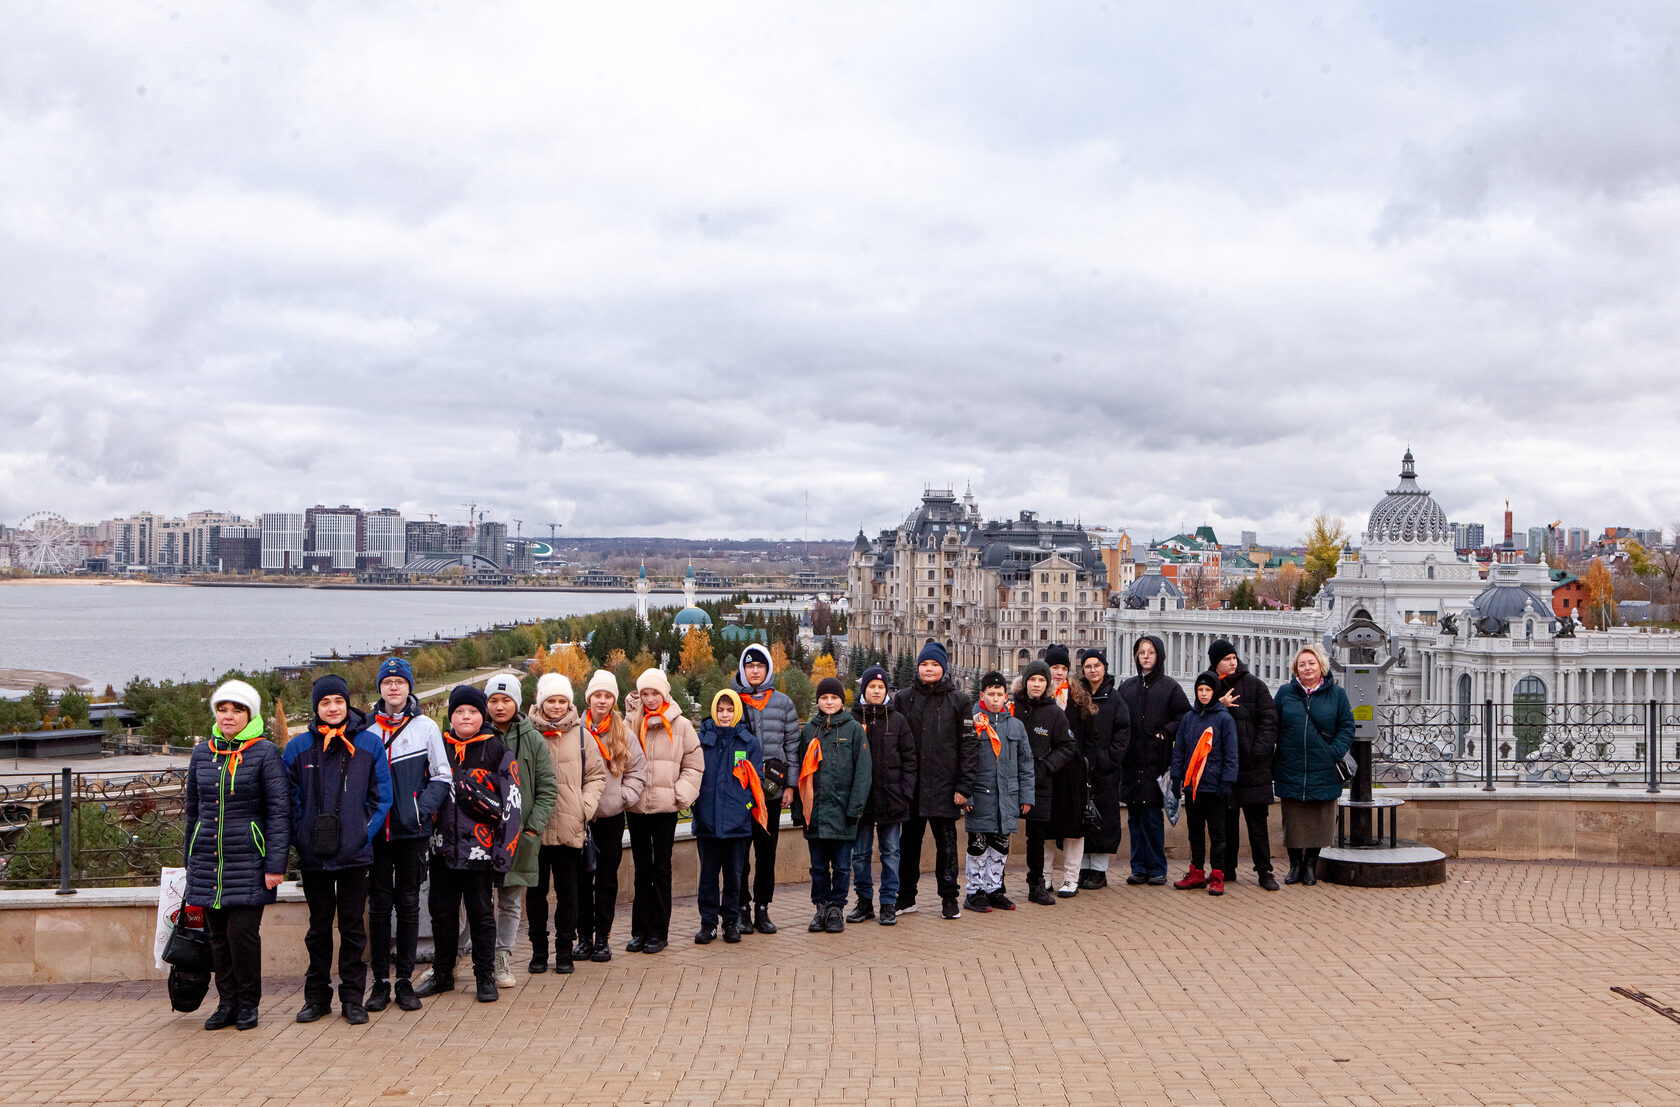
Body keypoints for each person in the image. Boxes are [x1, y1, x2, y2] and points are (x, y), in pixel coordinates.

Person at [284, 674, 392, 1025]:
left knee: (352, 929)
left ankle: (352, 998)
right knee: (317, 929)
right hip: (314, 856)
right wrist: (301, 835)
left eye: (338, 702)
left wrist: (361, 834)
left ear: (348, 705)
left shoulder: (369, 745)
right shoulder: (298, 748)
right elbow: (289, 799)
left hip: (354, 855)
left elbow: (382, 798)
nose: (333, 708)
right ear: (316, 707)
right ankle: (316, 998)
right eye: (325, 702)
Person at [184, 680, 291, 1032]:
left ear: (250, 714)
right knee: (217, 939)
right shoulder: (202, 753)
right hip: (208, 863)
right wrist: (190, 861)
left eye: (237, 709)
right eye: (222, 709)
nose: (228, 716)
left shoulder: (265, 753)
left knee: (241, 936)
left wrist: (276, 864)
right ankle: (225, 1003)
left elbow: (278, 812)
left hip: (249, 861)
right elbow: (192, 812)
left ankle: (248, 1004)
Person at [416, 684, 522, 1003]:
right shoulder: (438, 750)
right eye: (459, 711)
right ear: (451, 716)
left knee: (481, 915)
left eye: (473, 711)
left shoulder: (498, 752)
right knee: (443, 914)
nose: (466, 716)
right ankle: (443, 973)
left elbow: (512, 805)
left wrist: (503, 856)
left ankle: (484, 976)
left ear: (482, 716)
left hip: (481, 853)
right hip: (442, 850)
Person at [365, 657, 451, 1014]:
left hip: (411, 831)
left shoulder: (426, 727)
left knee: (410, 905)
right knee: (380, 908)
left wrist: (420, 810)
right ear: (381, 688)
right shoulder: (366, 730)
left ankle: (404, 981)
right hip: (377, 835)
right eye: (388, 682)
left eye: (401, 681)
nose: (394, 687)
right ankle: (380, 983)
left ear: (409, 687)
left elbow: (442, 776)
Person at [478, 674, 558, 991]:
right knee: (476, 900)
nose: (500, 707)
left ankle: (501, 957)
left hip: (518, 836)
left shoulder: (533, 740)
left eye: (506, 700)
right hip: (480, 835)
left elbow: (547, 789)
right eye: (494, 701)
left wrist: (532, 828)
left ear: (517, 703)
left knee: (511, 900)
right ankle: (461, 955)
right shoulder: (476, 736)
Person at [526, 673, 606, 975]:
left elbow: (597, 776)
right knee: (535, 894)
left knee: (569, 893)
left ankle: (563, 951)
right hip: (535, 828)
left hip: (570, 826)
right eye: (551, 700)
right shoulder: (527, 735)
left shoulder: (582, 735)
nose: (557, 706)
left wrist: (583, 808)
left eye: (562, 700)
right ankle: (538, 951)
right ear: (541, 702)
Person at [890, 640, 975, 921]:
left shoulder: (959, 701)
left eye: (934, 665)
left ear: (944, 668)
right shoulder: (903, 698)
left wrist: (964, 787)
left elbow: (968, 747)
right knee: (908, 845)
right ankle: (906, 897)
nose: (929, 669)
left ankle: (949, 898)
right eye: (924, 664)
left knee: (947, 846)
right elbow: (896, 745)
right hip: (912, 788)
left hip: (945, 787)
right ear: (917, 667)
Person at [625, 668, 703, 953]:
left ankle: (659, 930)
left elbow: (694, 765)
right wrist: (627, 794)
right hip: (636, 808)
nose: (649, 699)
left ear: (665, 693)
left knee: (662, 869)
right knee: (641, 870)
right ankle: (640, 930)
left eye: (654, 693)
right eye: (644, 693)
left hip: (665, 809)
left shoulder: (680, 725)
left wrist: (678, 795)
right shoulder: (631, 722)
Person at [575, 669, 646, 962]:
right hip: (579, 818)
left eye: (607, 696)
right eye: (597, 695)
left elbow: (638, 772)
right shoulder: (574, 730)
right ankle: (583, 938)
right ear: (588, 697)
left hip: (610, 817)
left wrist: (621, 798)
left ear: (613, 700)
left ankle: (602, 937)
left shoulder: (623, 733)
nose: (601, 701)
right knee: (580, 880)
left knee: (606, 879)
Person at [1272, 644, 1356, 887]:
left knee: (1320, 818)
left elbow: (1347, 727)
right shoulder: (1286, 693)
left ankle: (1310, 865)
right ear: (1295, 670)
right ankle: (1295, 865)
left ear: (1321, 666)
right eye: (1302, 664)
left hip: (1325, 766)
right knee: (1294, 819)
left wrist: (1334, 752)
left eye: (1311, 663)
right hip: (1290, 764)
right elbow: (1273, 725)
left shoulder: (1337, 695)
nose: (1307, 668)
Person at [731, 642, 799, 935]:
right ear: (743, 670)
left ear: (768, 668)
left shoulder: (782, 703)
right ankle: (741, 908)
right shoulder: (732, 700)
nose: (755, 671)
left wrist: (791, 786)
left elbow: (792, 747)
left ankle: (762, 908)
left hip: (771, 792)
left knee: (766, 853)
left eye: (760, 666)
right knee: (739, 854)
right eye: (750, 666)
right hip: (741, 791)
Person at [797, 677, 872, 933]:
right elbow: (801, 774)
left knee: (841, 866)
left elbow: (863, 773)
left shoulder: (853, 730)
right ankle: (821, 908)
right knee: (818, 867)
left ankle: (836, 909)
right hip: (815, 813)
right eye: (824, 698)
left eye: (834, 698)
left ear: (842, 701)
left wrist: (855, 809)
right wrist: (800, 810)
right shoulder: (809, 730)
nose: (829, 702)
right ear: (818, 701)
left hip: (843, 814)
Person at [693, 689, 765, 945]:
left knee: (735, 877)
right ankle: (708, 923)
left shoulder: (748, 743)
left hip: (737, 825)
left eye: (730, 710)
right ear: (714, 710)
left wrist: (744, 807)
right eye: (721, 710)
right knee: (708, 877)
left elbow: (757, 781)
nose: (725, 715)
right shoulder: (701, 740)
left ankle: (731, 922)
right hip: (708, 823)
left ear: (737, 712)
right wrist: (698, 806)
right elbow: (692, 775)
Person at [1208, 639, 1281, 891]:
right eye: (1226, 658)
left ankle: (1265, 871)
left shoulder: (1255, 685)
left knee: (1257, 825)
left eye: (1234, 657)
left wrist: (1258, 752)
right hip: (1223, 770)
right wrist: (1219, 706)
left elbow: (1269, 720)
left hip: (1253, 768)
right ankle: (1226, 869)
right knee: (1225, 824)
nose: (1233, 661)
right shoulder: (1209, 686)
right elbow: (1197, 718)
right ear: (1215, 662)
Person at [846, 665, 916, 926]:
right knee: (860, 854)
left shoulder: (897, 721)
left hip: (891, 799)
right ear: (864, 689)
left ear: (887, 690)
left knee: (890, 852)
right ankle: (864, 902)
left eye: (881, 687)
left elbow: (910, 760)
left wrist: (904, 792)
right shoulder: (852, 719)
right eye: (872, 686)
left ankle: (888, 902)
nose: (876, 691)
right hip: (861, 802)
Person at [1116, 635, 1188, 886]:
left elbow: (1184, 717)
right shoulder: (1127, 687)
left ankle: (1157, 867)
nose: (1145, 656)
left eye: (1150, 652)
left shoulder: (1170, 687)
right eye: (1141, 652)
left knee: (1152, 817)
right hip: (1132, 761)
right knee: (1134, 817)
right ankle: (1138, 867)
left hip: (1156, 762)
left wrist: (1165, 733)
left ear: (1159, 656)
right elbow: (1118, 719)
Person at [962, 671, 1034, 914]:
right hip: (980, 796)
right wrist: (966, 793)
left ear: (1006, 697)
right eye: (990, 694)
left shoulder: (1016, 725)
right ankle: (975, 892)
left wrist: (1026, 796)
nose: (995, 699)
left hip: (1008, 796)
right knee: (978, 846)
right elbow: (964, 761)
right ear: (982, 695)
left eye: (999, 694)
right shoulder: (973, 722)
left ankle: (995, 889)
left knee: (1001, 845)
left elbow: (1026, 763)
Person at [1013, 660, 1078, 906]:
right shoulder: (1012, 707)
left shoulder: (1054, 713)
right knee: (997, 832)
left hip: (1039, 781)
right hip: (1010, 779)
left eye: (1041, 680)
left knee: (1036, 836)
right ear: (1025, 682)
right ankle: (992, 884)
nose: (1037, 684)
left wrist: (1047, 766)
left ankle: (1036, 883)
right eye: (1033, 680)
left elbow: (1068, 745)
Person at [1170, 673, 1239, 896]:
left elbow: (1231, 754)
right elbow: (1179, 749)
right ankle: (1197, 872)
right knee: (1195, 833)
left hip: (1215, 787)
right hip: (1193, 787)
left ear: (1215, 692)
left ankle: (1217, 874)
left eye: (1208, 690)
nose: (1203, 694)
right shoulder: (1189, 719)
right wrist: (1176, 778)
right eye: (1200, 690)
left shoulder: (1224, 719)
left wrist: (1227, 782)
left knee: (1218, 834)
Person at [1068, 648, 1131, 889]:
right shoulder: (1077, 696)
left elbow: (1123, 732)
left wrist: (1109, 759)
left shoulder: (1115, 699)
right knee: (1082, 819)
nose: (1093, 670)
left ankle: (1099, 870)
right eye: (1088, 666)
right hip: (1080, 768)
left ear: (1104, 668)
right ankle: (1083, 867)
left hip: (1105, 771)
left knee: (1103, 819)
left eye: (1097, 665)